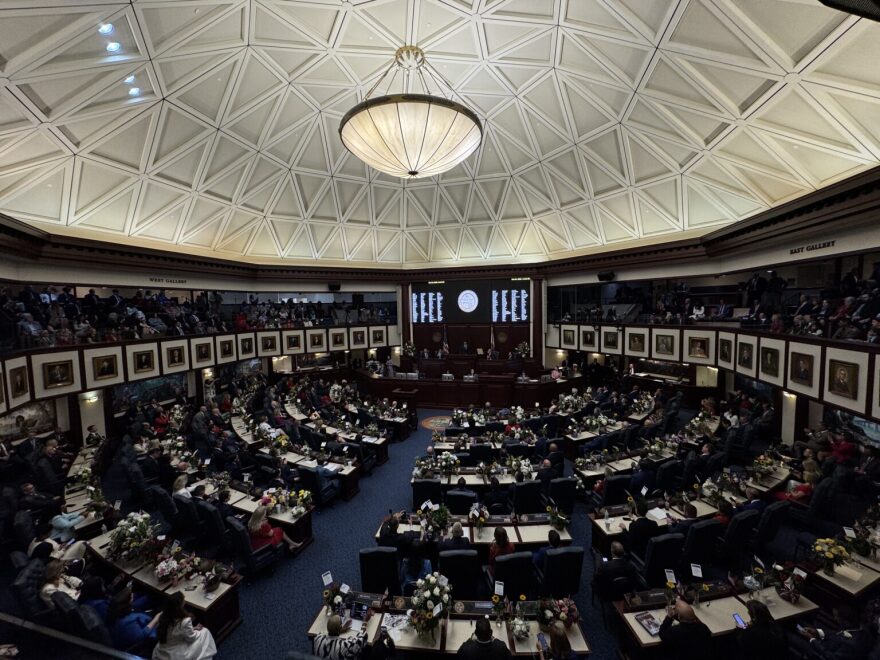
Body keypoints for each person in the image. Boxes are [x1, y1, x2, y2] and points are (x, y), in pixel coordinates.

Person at [151, 591, 217, 660]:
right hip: (177, 653)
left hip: (163, 649)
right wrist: (196, 631)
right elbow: (191, 638)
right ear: (180, 605)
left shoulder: (163, 617)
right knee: (205, 631)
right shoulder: (185, 621)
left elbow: (176, 632)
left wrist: (193, 628)